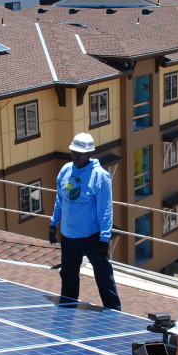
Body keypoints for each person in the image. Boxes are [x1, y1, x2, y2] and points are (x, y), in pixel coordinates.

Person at [48, 132, 120, 310]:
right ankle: (67, 308)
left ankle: (114, 311)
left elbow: (105, 209)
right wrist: (53, 222)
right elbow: (61, 199)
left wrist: (104, 238)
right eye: (73, 152)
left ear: (89, 154)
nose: (75, 156)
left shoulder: (100, 176)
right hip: (68, 235)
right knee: (68, 274)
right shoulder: (66, 170)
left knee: (103, 275)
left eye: (79, 154)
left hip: (92, 236)